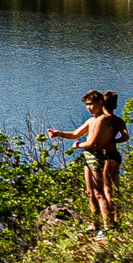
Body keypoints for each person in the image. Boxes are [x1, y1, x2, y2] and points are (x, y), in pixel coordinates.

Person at [47, 89, 128, 234]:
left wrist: (78, 145)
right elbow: (75, 134)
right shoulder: (91, 120)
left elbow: (91, 142)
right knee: (90, 192)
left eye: (91, 104)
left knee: (100, 193)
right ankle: (94, 224)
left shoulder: (103, 119)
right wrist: (58, 133)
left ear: (100, 103)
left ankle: (108, 226)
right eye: (86, 105)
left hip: (97, 157)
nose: (89, 108)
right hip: (88, 157)